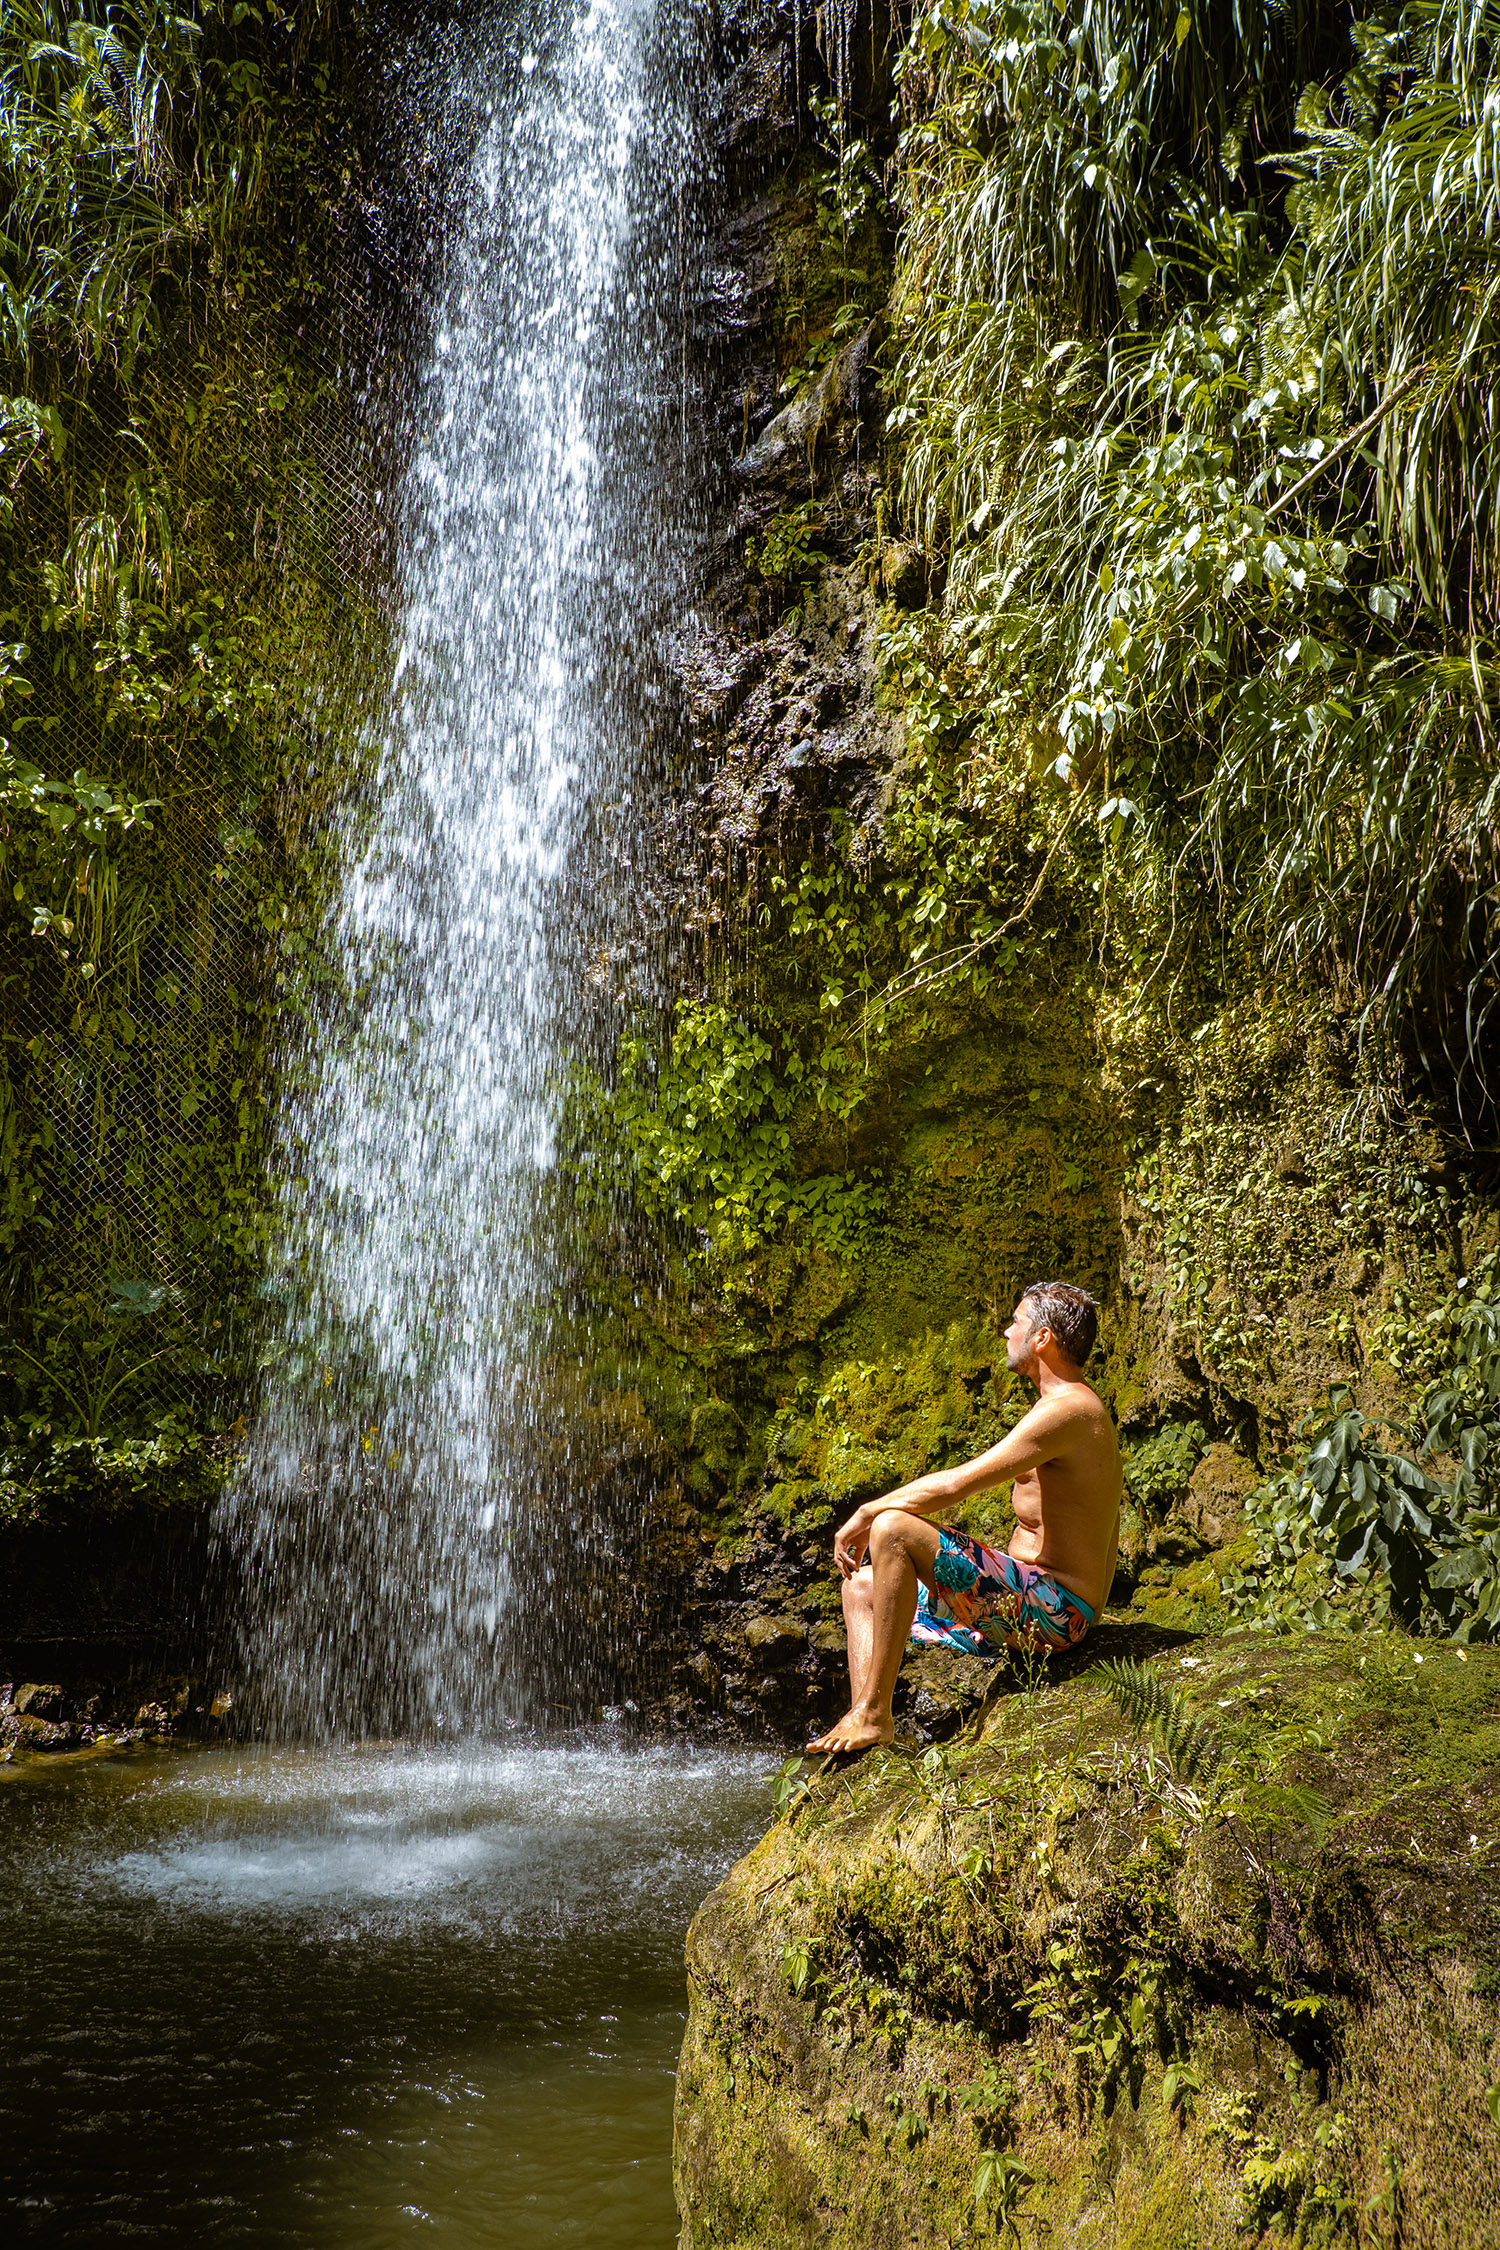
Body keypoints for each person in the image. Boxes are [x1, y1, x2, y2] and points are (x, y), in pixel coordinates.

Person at [806, 1281, 1121, 1757]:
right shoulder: (1058, 1407)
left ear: (1042, 1338)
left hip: (1058, 1615)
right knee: (861, 1588)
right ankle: (868, 1726)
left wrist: (869, 1511)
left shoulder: (1071, 1409)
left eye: (1015, 1322)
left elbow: (957, 1485)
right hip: (1022, 1606)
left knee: (892, 1528)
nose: (1004, 1332)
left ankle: (873, 1714)